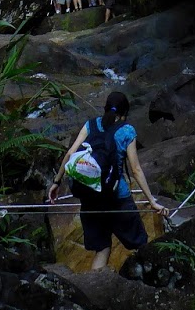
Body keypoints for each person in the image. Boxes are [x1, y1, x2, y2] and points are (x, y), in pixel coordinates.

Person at [48, 90, 166, 270]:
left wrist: (56, 182)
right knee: (141, 244)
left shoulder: (91, 125)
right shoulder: (126, 130)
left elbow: (71, 153)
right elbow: (135, 169)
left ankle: (94, 291)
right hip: (117, 198)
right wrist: (152, 201)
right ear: (125, 113)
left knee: (102, 248)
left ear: (105, 109)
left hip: (90, 199)